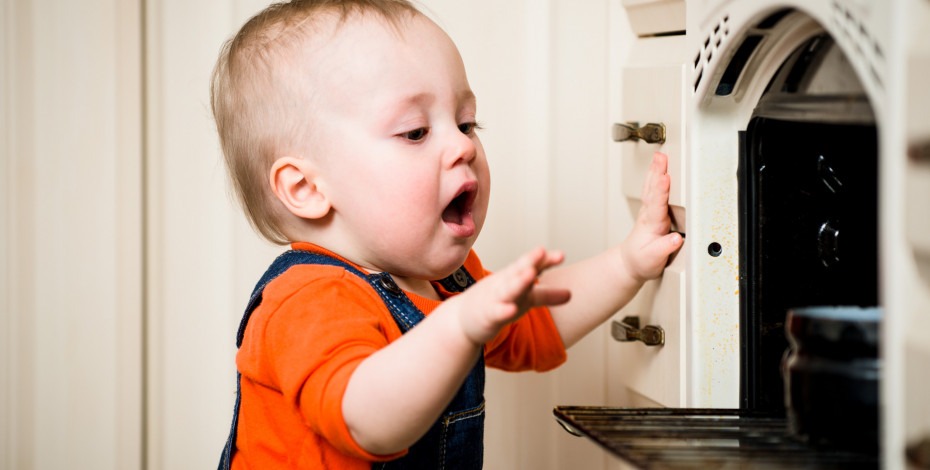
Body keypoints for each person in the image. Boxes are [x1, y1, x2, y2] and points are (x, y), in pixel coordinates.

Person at [210, 0, 684, 468]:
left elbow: (538, 326)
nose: (462, 145)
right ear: (307, 188)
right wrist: (458, 327)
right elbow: (365, 421)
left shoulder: (445, 282)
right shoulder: (308, 300)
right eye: (416, 132)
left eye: (465, 123)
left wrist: (627, 263)